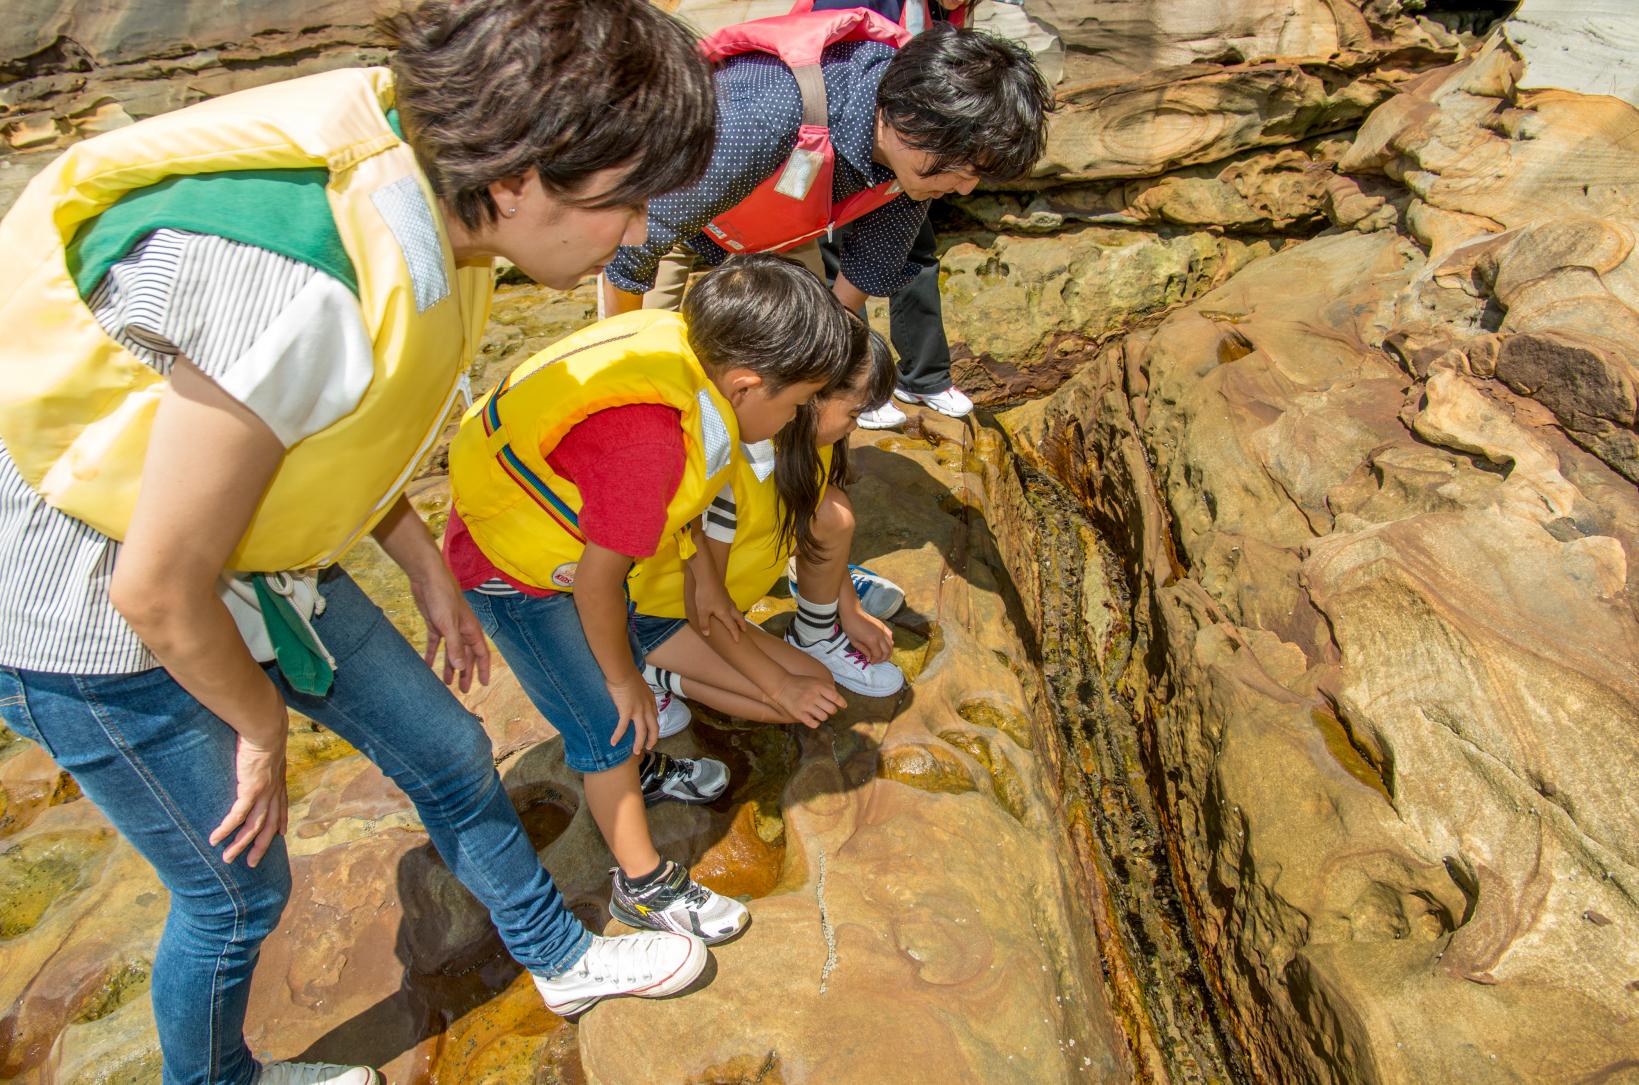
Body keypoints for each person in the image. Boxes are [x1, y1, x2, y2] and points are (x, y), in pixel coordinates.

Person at [0, 2, 720, 1082]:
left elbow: (335, 424)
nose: (636, 238)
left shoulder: (439, 202)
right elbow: (157, 584)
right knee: (237, 893)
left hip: (270, 561)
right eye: (621, 204)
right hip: (92, 610)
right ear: (520, 172)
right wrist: (255, 723)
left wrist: (427, 567)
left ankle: (560, 956)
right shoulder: (302, 287)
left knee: (449, 751)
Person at [441, 254, 857, 947]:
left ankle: (646, 764)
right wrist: (621, 678)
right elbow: (600, 582)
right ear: (746, 383)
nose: (792, 418)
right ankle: (642, 886)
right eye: (792, 403)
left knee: (622, 670)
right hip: (516, 571)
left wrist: (697, 572)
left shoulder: (690, 354)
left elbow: (676, 506)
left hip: (569, 540)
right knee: (603, 722)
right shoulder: (650, 444)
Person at [596, 5, 1052, 335]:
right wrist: (624, 350)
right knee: (637, 348)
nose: (968, 188)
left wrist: (818, 366)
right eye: (963, 167)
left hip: (777, 227)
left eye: (979, 173)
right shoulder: (770, 110)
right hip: (665, 205)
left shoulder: (916, 164)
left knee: (802, 351)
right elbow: (634, 240)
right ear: (911, 116)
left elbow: (865, 276)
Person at [627, 327, 905, 729]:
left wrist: (851, 610)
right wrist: (779, 687)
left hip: (720, 607)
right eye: (855, 413)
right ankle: (648, 672)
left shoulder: (811, 441)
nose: (855, 427)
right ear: (812, 394)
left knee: (832, 513)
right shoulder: (727, 467)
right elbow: (703, 605)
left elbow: (812, 521)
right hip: (664, 616)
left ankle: (816, 633)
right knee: (803, 692)